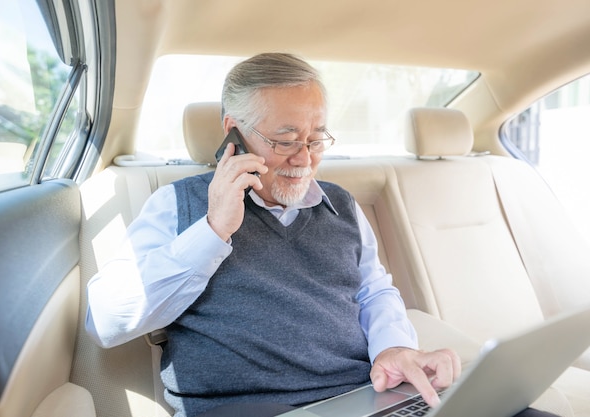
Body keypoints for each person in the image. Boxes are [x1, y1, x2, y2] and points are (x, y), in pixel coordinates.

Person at [85, 53, 558, 417]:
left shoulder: (341, 204)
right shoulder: (177, 205)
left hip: (360, 397)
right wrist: (213, 231)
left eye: (316, 139)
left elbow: (374, 291)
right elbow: (106, 323)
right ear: (234, 133)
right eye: (286, 140)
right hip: (248, 406)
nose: (304, 158)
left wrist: (395, 348)